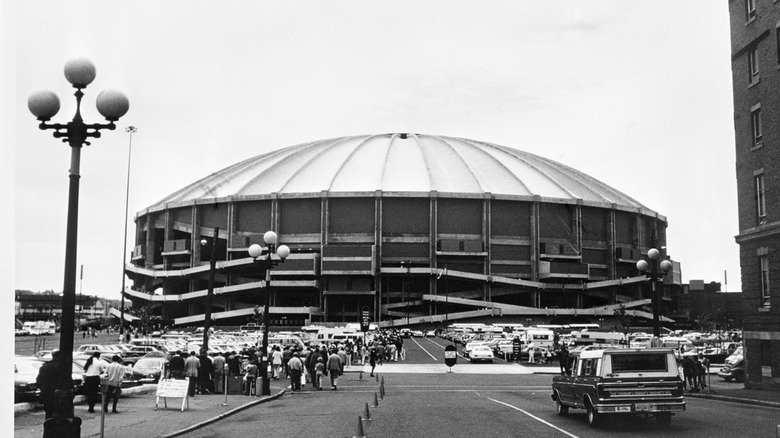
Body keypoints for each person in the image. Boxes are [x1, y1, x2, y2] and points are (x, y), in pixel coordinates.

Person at [36, 350, 62, 419]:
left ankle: (48, 428)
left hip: (47, 394)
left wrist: (43, 390)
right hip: (60, 394)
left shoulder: (45, 367)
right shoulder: (62, 367)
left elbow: (39, 381)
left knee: (49, 413)